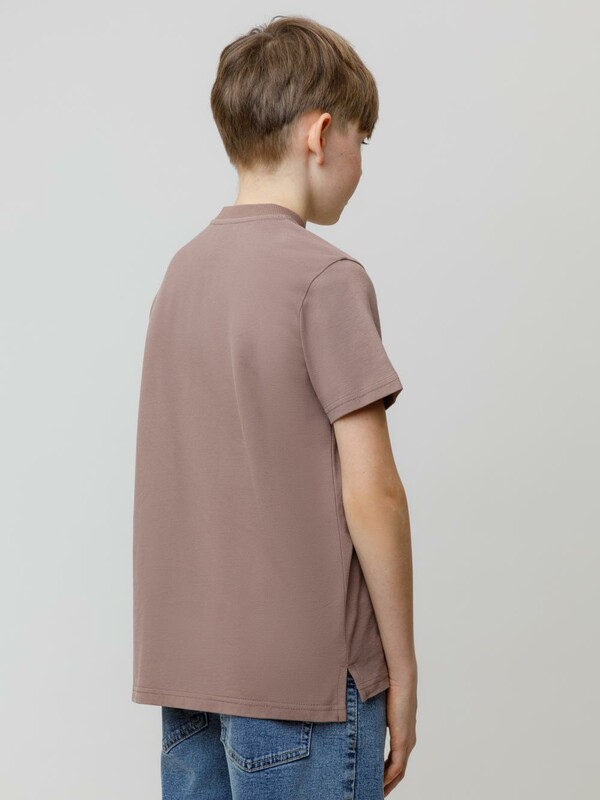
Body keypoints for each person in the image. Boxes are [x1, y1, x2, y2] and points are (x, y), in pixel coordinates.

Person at [132, 14, 418, 799]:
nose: (362, 162)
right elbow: (374, 493)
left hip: (189, 679)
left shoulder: (180, 276)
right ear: (321, 135)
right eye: (363, 138)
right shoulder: (326, 279)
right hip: (308, 690)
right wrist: (402, 669)